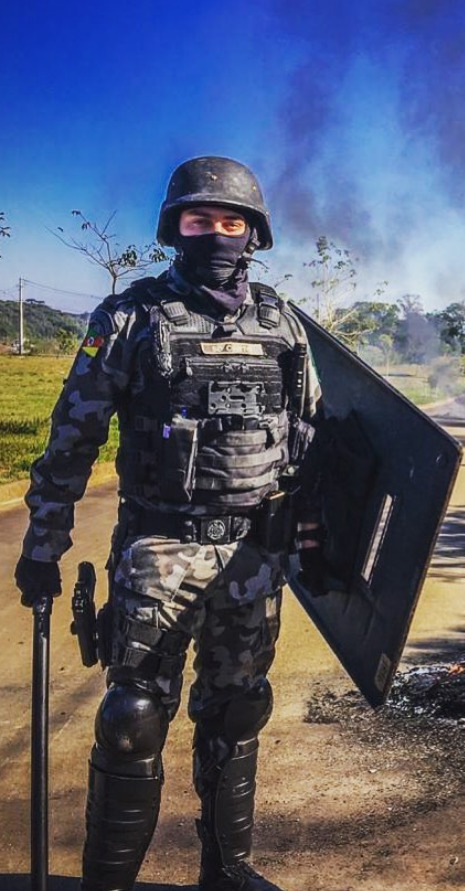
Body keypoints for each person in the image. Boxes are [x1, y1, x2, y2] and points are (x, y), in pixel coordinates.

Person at [13, 156, 325, 891]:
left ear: (253, 232)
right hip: (159, 552)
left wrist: (315, 533)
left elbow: (311, 437)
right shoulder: (129, 317)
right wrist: (42, 544)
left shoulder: (284, 323)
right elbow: (71, 441)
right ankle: (109, 882)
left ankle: (227, 870)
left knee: (239, 710)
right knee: (133, 717)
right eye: (199, 220)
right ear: (174, 229)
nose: (216, 232)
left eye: (230, 220)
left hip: (252, 558)